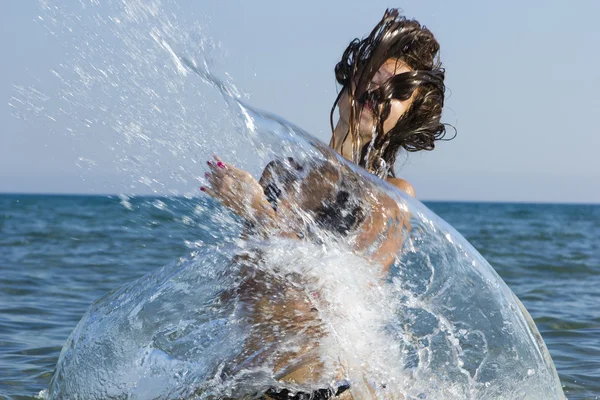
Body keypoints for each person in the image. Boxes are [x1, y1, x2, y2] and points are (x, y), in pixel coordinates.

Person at [201, 9, 450, 399]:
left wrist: (257, 212)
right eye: (375, 75)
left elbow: (339, 292)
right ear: (355, 74)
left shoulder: (394, 197)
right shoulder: (282, 173)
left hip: (322, 387)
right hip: (247, 377)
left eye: (400, 91)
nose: (380, 92)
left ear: (407, 116)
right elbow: (241, 288)